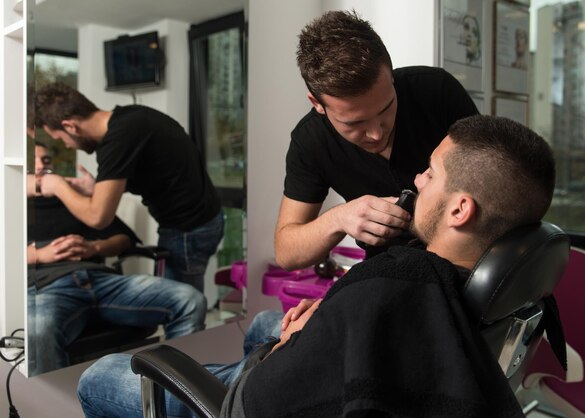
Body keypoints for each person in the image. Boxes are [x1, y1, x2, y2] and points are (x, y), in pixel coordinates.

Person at [77, 114, 557, 417]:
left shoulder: (394, 281)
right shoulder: (481, 278)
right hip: (331, 344)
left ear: (459, 210)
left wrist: (289, 348)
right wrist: (328, 320)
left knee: (98, 376)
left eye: (430, 173)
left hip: (246, 399)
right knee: (267, 320)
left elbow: (265, 396)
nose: (416, 177)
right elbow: (321, 278)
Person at [274, 10, 479, 271]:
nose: (376, 134)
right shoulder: (310, 142)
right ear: (318, 104)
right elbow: (286, 252)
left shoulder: (436, 91)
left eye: (385, 109)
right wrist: (340, 218)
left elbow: (491, 183)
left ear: (391, 75)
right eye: (354, 123)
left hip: (463, 265)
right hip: (386, 275)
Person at [27, 142, 208, 376]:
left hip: (102, 282)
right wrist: (39, 254)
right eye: (33, 163)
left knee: (190, 300)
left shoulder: (74, 200)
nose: (42, 167)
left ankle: (181, 393)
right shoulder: (9, 205)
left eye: (47, 161)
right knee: (37, 331)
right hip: (47, 288)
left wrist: (95, 247)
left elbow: (124, 239)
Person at [32, 84, 224, 292]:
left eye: (60, 139)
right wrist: (96, 188)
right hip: (205, 218)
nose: (67, 146)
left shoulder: (117, 141)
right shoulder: (130, 118)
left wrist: (58, 185)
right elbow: (155, 172)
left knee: (184, 305)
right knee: (181, 302)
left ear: (70, 126)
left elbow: (98, 218)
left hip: (189, 229)